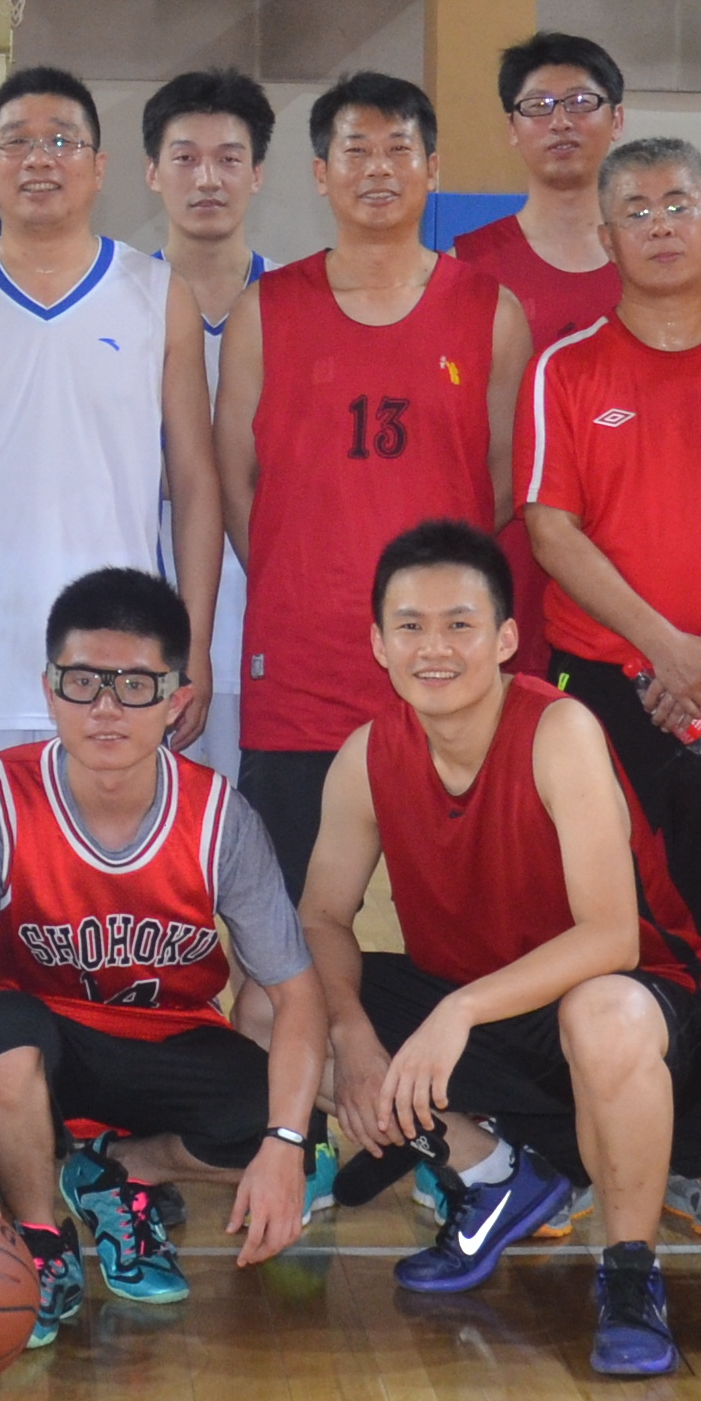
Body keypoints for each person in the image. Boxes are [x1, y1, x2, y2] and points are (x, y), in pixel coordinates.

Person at [297, 520, 701, 1377]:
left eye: (459, 624)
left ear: (504, 639)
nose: (434, 648)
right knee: (278, 1008)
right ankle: (494, 1173)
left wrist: (458, 1011)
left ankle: (630, 1274)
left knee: (601, 1012)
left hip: (637, 1009)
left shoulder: (560, 731)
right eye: (410, 626)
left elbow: (610, 936)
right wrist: (352, 1032)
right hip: (492, 1014)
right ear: (378, 644)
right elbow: (320, 920)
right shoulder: (367, 757)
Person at [0, 568, 324, 1345]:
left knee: (303, 1138)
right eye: (83, 682)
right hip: (26, 1055)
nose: (107, 709)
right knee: (3, 1031)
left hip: (161, 1046)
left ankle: (118, 1168)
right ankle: (42, 1235)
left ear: (178, 699)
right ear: (49, 689)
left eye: (136, 686)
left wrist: (284, 1148)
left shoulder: (218, 815)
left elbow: (298, 996)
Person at [0, 66, 224, 888]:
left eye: (62, 141)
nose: (39, 159)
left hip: (123, 660)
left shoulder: (157, 296)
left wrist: (196, 646)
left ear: (99, 166)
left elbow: (197, 486)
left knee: (111, 900)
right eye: (17, 143)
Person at [213, 72, 525, 892]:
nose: (378, 168)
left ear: (433, 168)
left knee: (466, 916)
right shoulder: (265, 309)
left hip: (443, 668)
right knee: (286, 917)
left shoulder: (491, 311)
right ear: (321, 173)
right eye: (356, 150)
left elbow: (501, 481)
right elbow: (234, 478)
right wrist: (295, 571)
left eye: (399, 149)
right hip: (301, 670)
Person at [518, 132, 701, 975]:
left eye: (679, 205)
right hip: (602, 688)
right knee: (608, 917)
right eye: (637, 211)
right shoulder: (564, 370)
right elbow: (551, 530)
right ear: (607, 240)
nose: (660, 225)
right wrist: (664, 647)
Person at [140, 68, 275, 775]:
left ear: (258, 174)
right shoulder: (117, 298)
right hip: (145, 611)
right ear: (151, 173)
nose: (208, 179)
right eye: (185, 158)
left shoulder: (300, 303)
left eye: (228, 159)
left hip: (270, 612)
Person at [452, 30, 632, 350]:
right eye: (538, 105)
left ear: (616, 120)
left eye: (580, 102)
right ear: (512, 128)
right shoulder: (464, 267)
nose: (560, 122)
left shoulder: (651, 256)